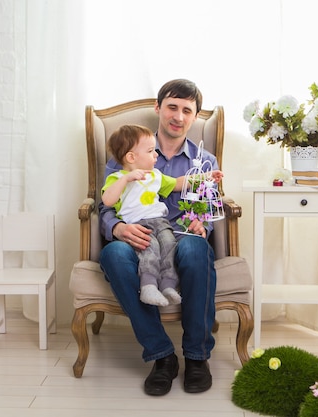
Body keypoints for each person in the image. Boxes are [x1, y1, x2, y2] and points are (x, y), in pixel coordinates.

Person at [98, 79, 220, 396]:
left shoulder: (204, 161)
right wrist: (117, 229)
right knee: (113, 255)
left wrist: (202, 226)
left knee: (195, 249)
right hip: (136, 236)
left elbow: (209, 203)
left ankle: (196, 357)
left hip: (179, 234)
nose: (178, 116)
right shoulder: (129, 151)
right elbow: (105, 202)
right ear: (158, 108)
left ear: (194, 117)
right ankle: (162, 356)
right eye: (172, 107)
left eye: (186, 111)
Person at [101, 124, 222, 307]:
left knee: (169, 248)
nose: (155, 154)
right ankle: (149, 286)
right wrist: (126, 179)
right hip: (140, 226)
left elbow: (180, 183)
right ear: (131, 157)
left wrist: (206, 176)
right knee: (151, 250)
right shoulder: (117, 178)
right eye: (150, 151)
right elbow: (107, 201)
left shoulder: (155, 175)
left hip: (161, 223)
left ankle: (168, 286)